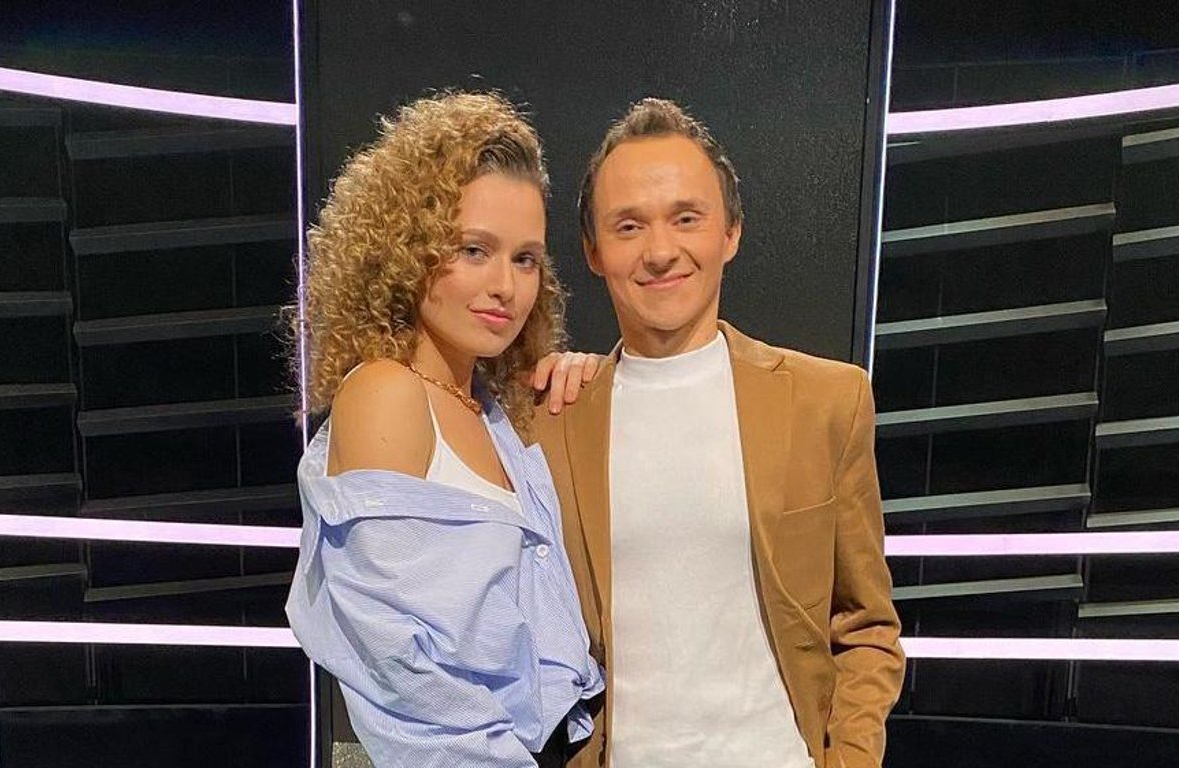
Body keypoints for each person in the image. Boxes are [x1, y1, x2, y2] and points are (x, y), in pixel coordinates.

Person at [531, 98, 905, 768]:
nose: (660, 251)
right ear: (593, 251)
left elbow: (867, 626)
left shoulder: (827, 401)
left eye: (686, 218)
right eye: (628, 226)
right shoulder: (553, 419)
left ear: (730, 232)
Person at [284, 91, 603, 768]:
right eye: (474, 250)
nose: (506, 287)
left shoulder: (492, 410)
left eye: (525, 259)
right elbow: (400, 664)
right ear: (407, 250)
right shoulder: (386, 393)